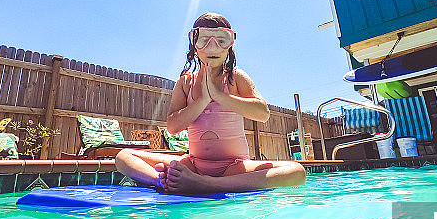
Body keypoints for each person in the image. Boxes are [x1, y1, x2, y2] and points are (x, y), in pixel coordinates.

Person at [115, 13, 306, 194]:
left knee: (297, 172)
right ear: (194, 45)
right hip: (193, 165)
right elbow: (173, 127)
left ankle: (208, 184)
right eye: (204, 40)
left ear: (230, 45)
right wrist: (203, 100)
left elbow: (262, 113)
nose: (212, 47)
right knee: (123, 157)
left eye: (221, 40)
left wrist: (220, 95)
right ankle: (162, 181)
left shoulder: (235, 77)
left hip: (233, 167)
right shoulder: (186, 82)